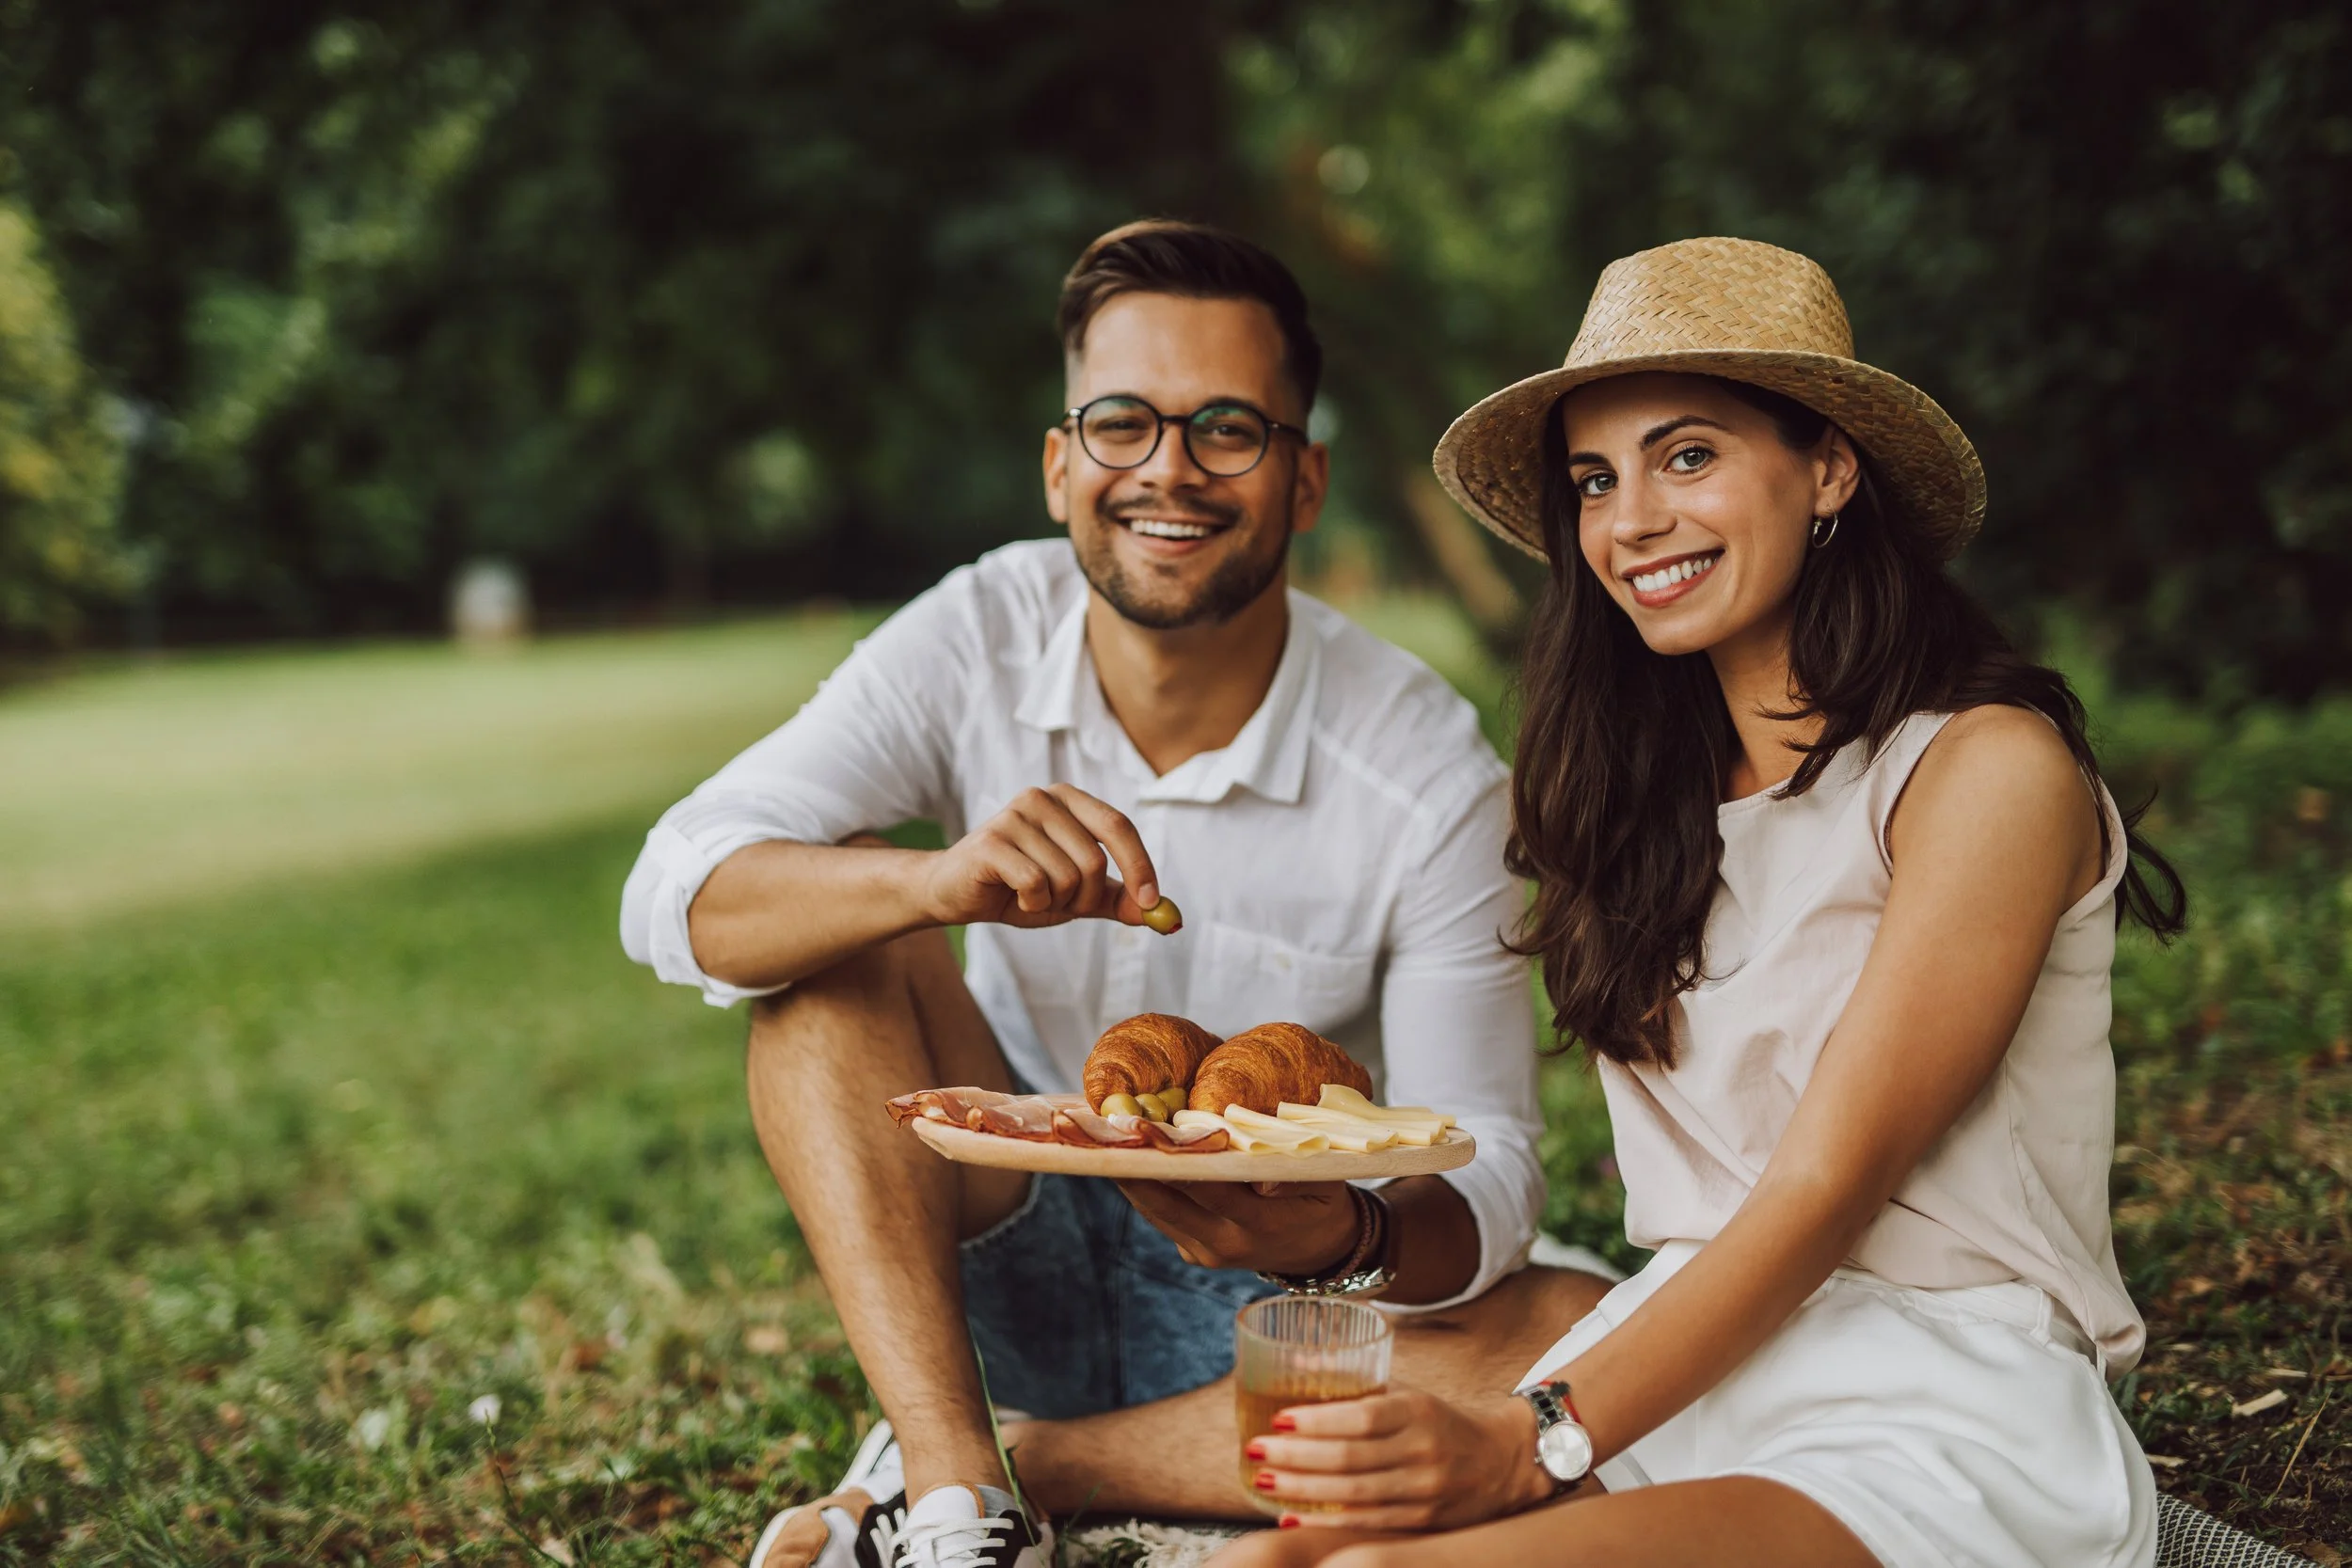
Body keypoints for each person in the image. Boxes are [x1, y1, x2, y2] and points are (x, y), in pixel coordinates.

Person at [619, 220, 1611, 1568]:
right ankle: (961, 1500)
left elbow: (1490, 1164)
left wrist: (1344, 1225)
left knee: (1569, 1343)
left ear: (1305, 478)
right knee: (829, 955)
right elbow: (675, 890)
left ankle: (1009, 1460)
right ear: (1058, 463)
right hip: (996, 1235)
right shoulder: (972, 635)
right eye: (1122, 424)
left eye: (1227, 429)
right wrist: (930, 878)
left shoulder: (1424, 771)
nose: (1168, 471)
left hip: (1273, 1299)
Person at [1216, 236, 2185, 1568]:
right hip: (1694, 1367)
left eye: (1689, 456)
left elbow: (1826, 1182)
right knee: (1266, 1560)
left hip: (1939, 1400)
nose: (1631, 521)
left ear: (1829, 465)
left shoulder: (1983, 772)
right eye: (1595, 480)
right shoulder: (1639, 801)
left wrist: (1525, 1431)